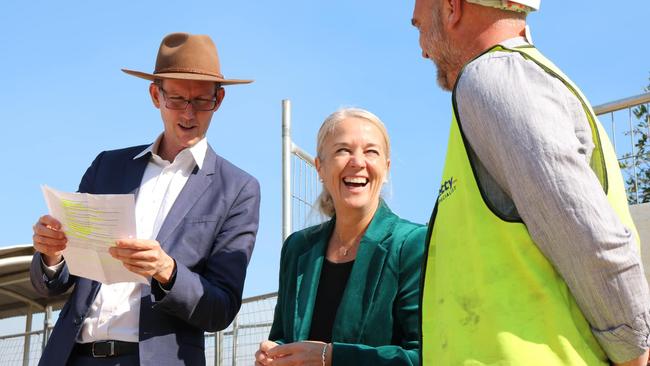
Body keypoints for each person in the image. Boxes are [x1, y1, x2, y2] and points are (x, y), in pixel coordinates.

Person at [411, 0, 650, 365]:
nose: (422, 48)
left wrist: (634, 354)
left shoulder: (491, 79)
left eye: (420, 27)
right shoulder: (519, 81)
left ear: (452, 8)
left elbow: (591, 239)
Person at [30, 32, 260, 365]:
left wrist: (168, 271)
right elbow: (55, 285)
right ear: (155, 95)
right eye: (177, 99)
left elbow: (220, 309)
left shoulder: (237, 189)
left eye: (201, 101)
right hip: (71, 356)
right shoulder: (106, 167)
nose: (189, 113)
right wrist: (52, 255)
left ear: (219, 100)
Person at [255, 108, 425, 365]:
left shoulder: (412, 244)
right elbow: (283, 336)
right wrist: (273, 354)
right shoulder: (297, 248)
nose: (357, 162)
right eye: (343, 150)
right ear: (319, 167)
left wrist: (332, 357)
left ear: (386, 168)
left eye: (371, 151)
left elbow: (424, 355)